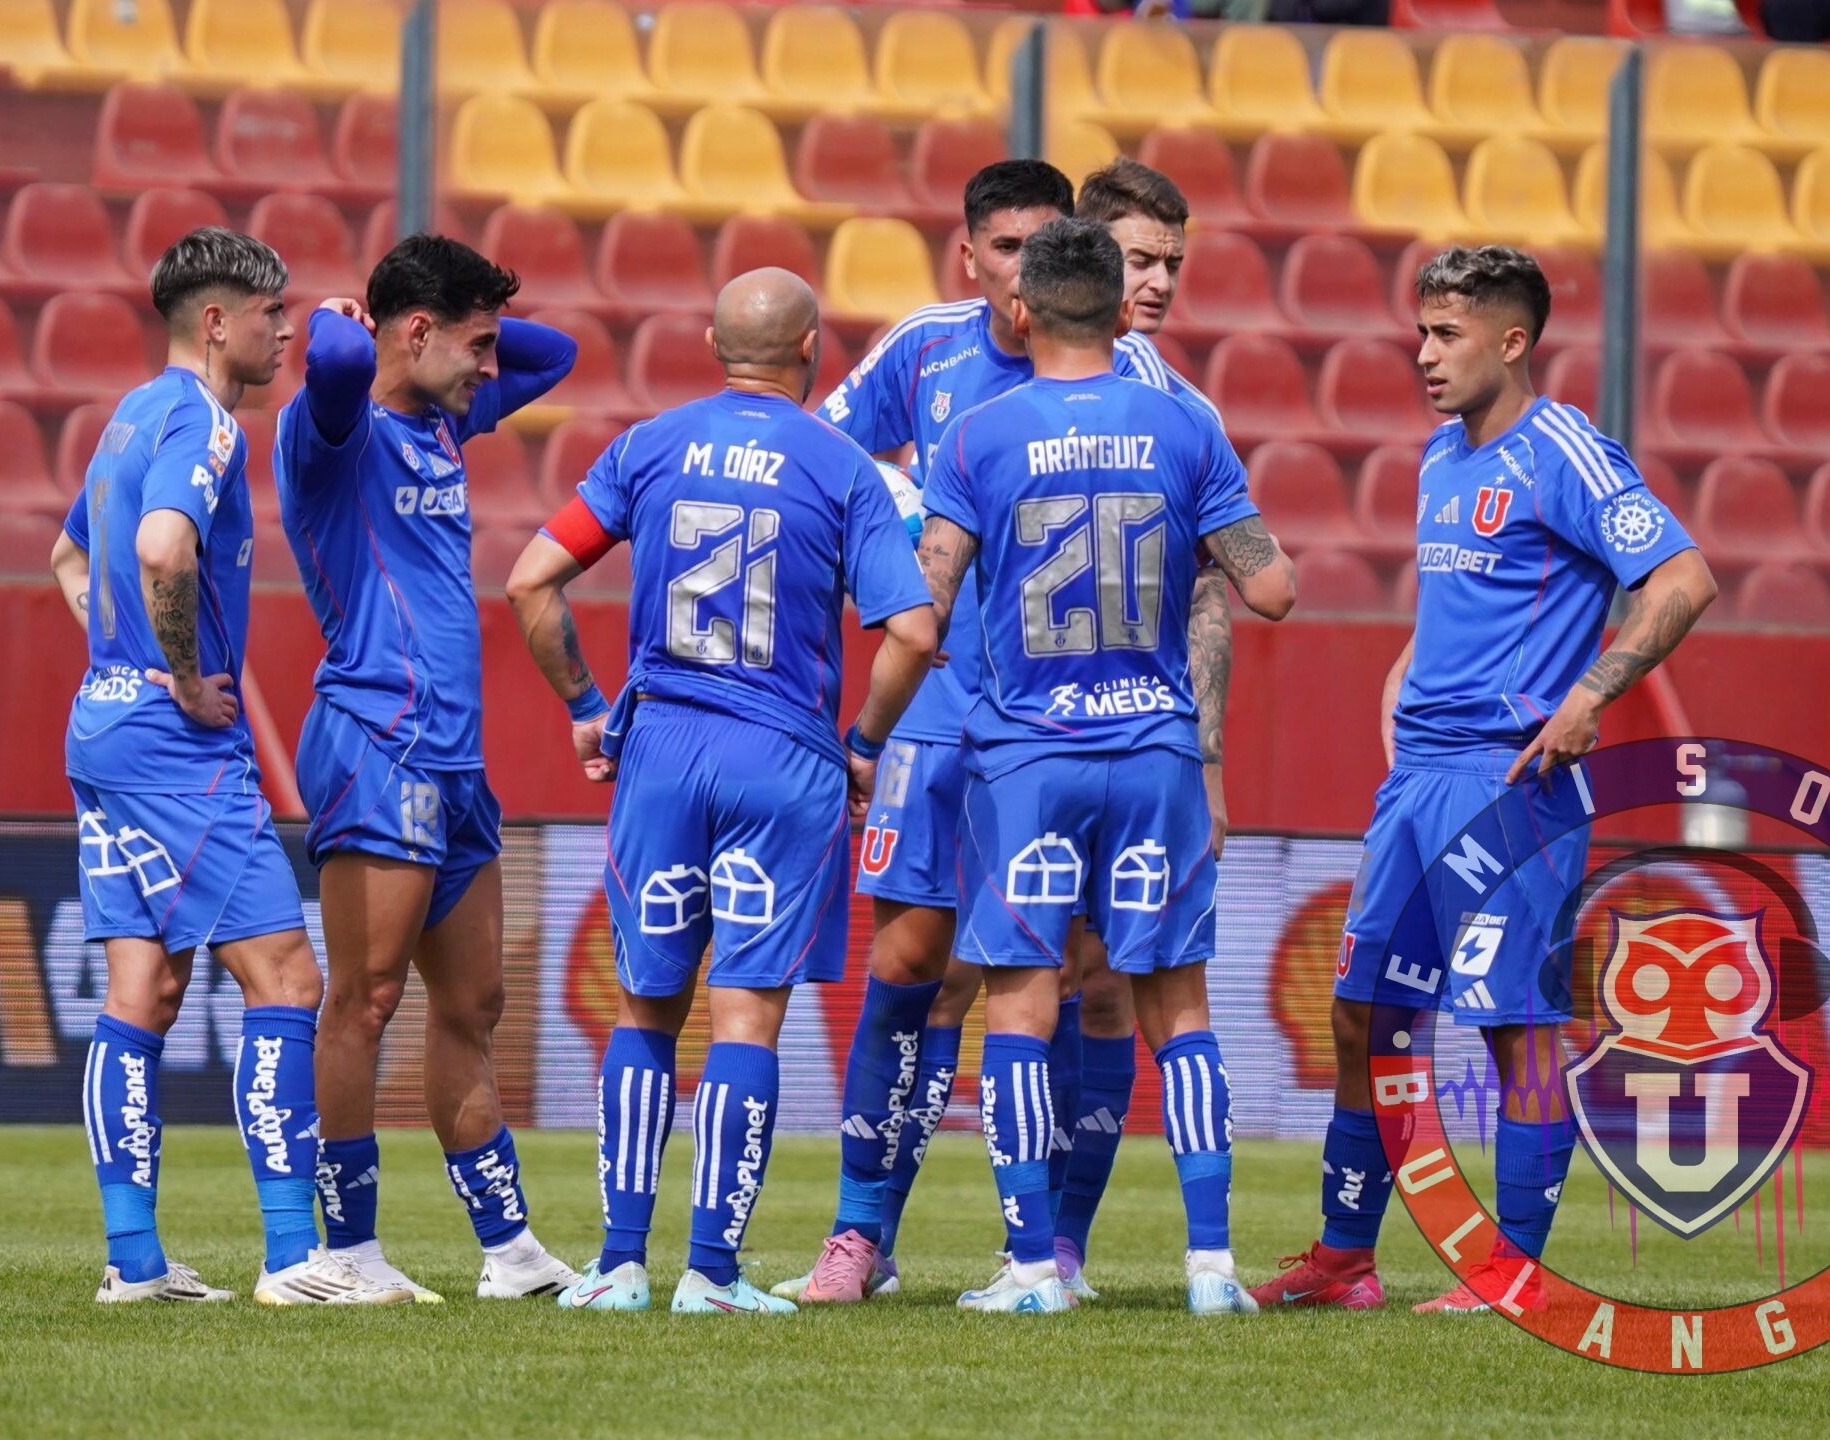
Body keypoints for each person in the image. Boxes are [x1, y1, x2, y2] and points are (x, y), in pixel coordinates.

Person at [1250, 246, 1717, 1316]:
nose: (1423, 353)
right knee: (1364, 1015)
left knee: (1515, 1025)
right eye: (1420, 331)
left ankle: (1515, 1272)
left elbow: (1683, 578)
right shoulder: (1439, 455)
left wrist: (1590, 693)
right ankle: (1344, 1260)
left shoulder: (1566, 453)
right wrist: (1404, 679)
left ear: (1511, 342)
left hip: (1512, 785)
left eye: (1446, 334)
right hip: (1419, 779)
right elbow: (1462, 610)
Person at [786, 157, 1220, 1305]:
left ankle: (1054, 1248)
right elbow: (817, 458)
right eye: (1006, 248)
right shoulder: (926, 350)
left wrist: (1209, 758)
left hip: (1084, 734)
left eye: (1044, 247)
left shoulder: (1155, 391)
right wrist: (892, 529)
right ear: (971, 256)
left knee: (1089, 981)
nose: (1024, 271)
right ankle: (860, 1236)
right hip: (941, 714)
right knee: (912, 967)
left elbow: (1213, 586)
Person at [504, 268, 939, 1315]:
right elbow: (915, 631)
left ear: (712, 344)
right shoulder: (842, 467)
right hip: (781, 759)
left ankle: (618, 1265)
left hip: (660, 750)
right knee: (744, 1019)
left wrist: (587, 706)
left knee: (644, 1009)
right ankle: (711, 1272)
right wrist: (863, 744)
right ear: (812, 350)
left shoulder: (648, 446)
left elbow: (529, 579)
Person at [912, 216, 1296, 1314]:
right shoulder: (1184, 427)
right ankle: (1212, 1268)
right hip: (1156, 750)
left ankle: (1034, 1269)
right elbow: (1271, 589)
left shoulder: (978, 436)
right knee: (1180, 1008)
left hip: (1029, 758)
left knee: (1020, 1011)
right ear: (1123, 312)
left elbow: (926, 602)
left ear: (1019, 309)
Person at [45, 227, 378, 1305]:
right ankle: (292, 1257)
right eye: (272, 313)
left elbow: (69, 556)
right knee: (288, 980)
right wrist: (181, 678)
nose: (286, 331)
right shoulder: (206, 420)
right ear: (217, 321)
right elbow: (158, 549)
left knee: (143, 988)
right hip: (173, 742)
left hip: (103, 726)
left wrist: (120, 660)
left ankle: (134, 1261)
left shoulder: (129, 415)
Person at [275, 234, 582, 1303]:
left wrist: (462, 326)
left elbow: (558, 354)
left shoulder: (449, 420)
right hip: (376, 742)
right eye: (476, 343)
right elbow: (335, 361)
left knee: (475, 1004)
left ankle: (510, 1252)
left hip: (454, 760)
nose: (495, 366)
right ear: (414, 332)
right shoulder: (334, 433)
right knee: (364, 1001)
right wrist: (339, 321)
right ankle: (346, 1254)